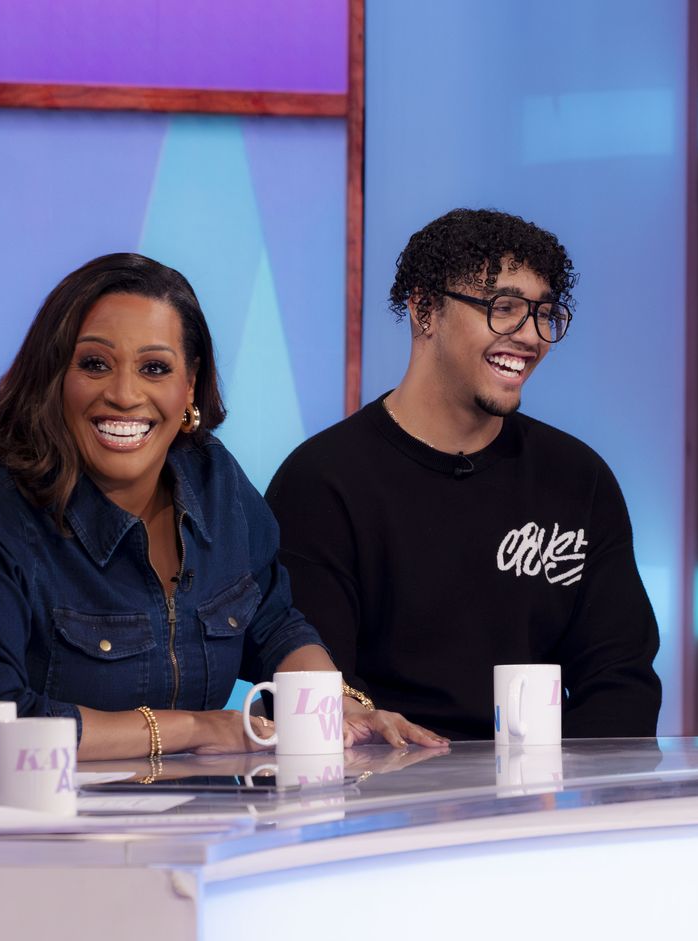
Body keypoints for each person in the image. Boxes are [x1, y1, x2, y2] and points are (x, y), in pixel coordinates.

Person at [0, 254, 444, 782]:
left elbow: (273, 622)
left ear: (191, 387)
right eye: (94, 364)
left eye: (155, 368)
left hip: (146, 827)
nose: (124, 394)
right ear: (53, 377)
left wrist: (340, 708)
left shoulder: (212, 479)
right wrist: (200, 728)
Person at [267, 208, 661, 741]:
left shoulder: (578, 478)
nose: (530, 337)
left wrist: (574, 804)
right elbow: (317, 696)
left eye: (544, 314)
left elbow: (621, 682)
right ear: (424, 309)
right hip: (376, 801)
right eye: (504, 308)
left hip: (537, 803)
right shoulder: (321, 481)